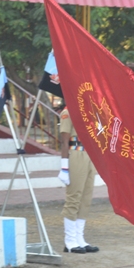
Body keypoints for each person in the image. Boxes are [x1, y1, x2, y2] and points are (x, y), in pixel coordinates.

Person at [58, 105, 99, 254]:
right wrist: (64, 166)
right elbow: (63, 141)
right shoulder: (68, 112)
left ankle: (79, 238)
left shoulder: (89, 112)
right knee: (74, 197)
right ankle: (70, 241)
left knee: (85, 199)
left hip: (89, 154)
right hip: (75, 153)